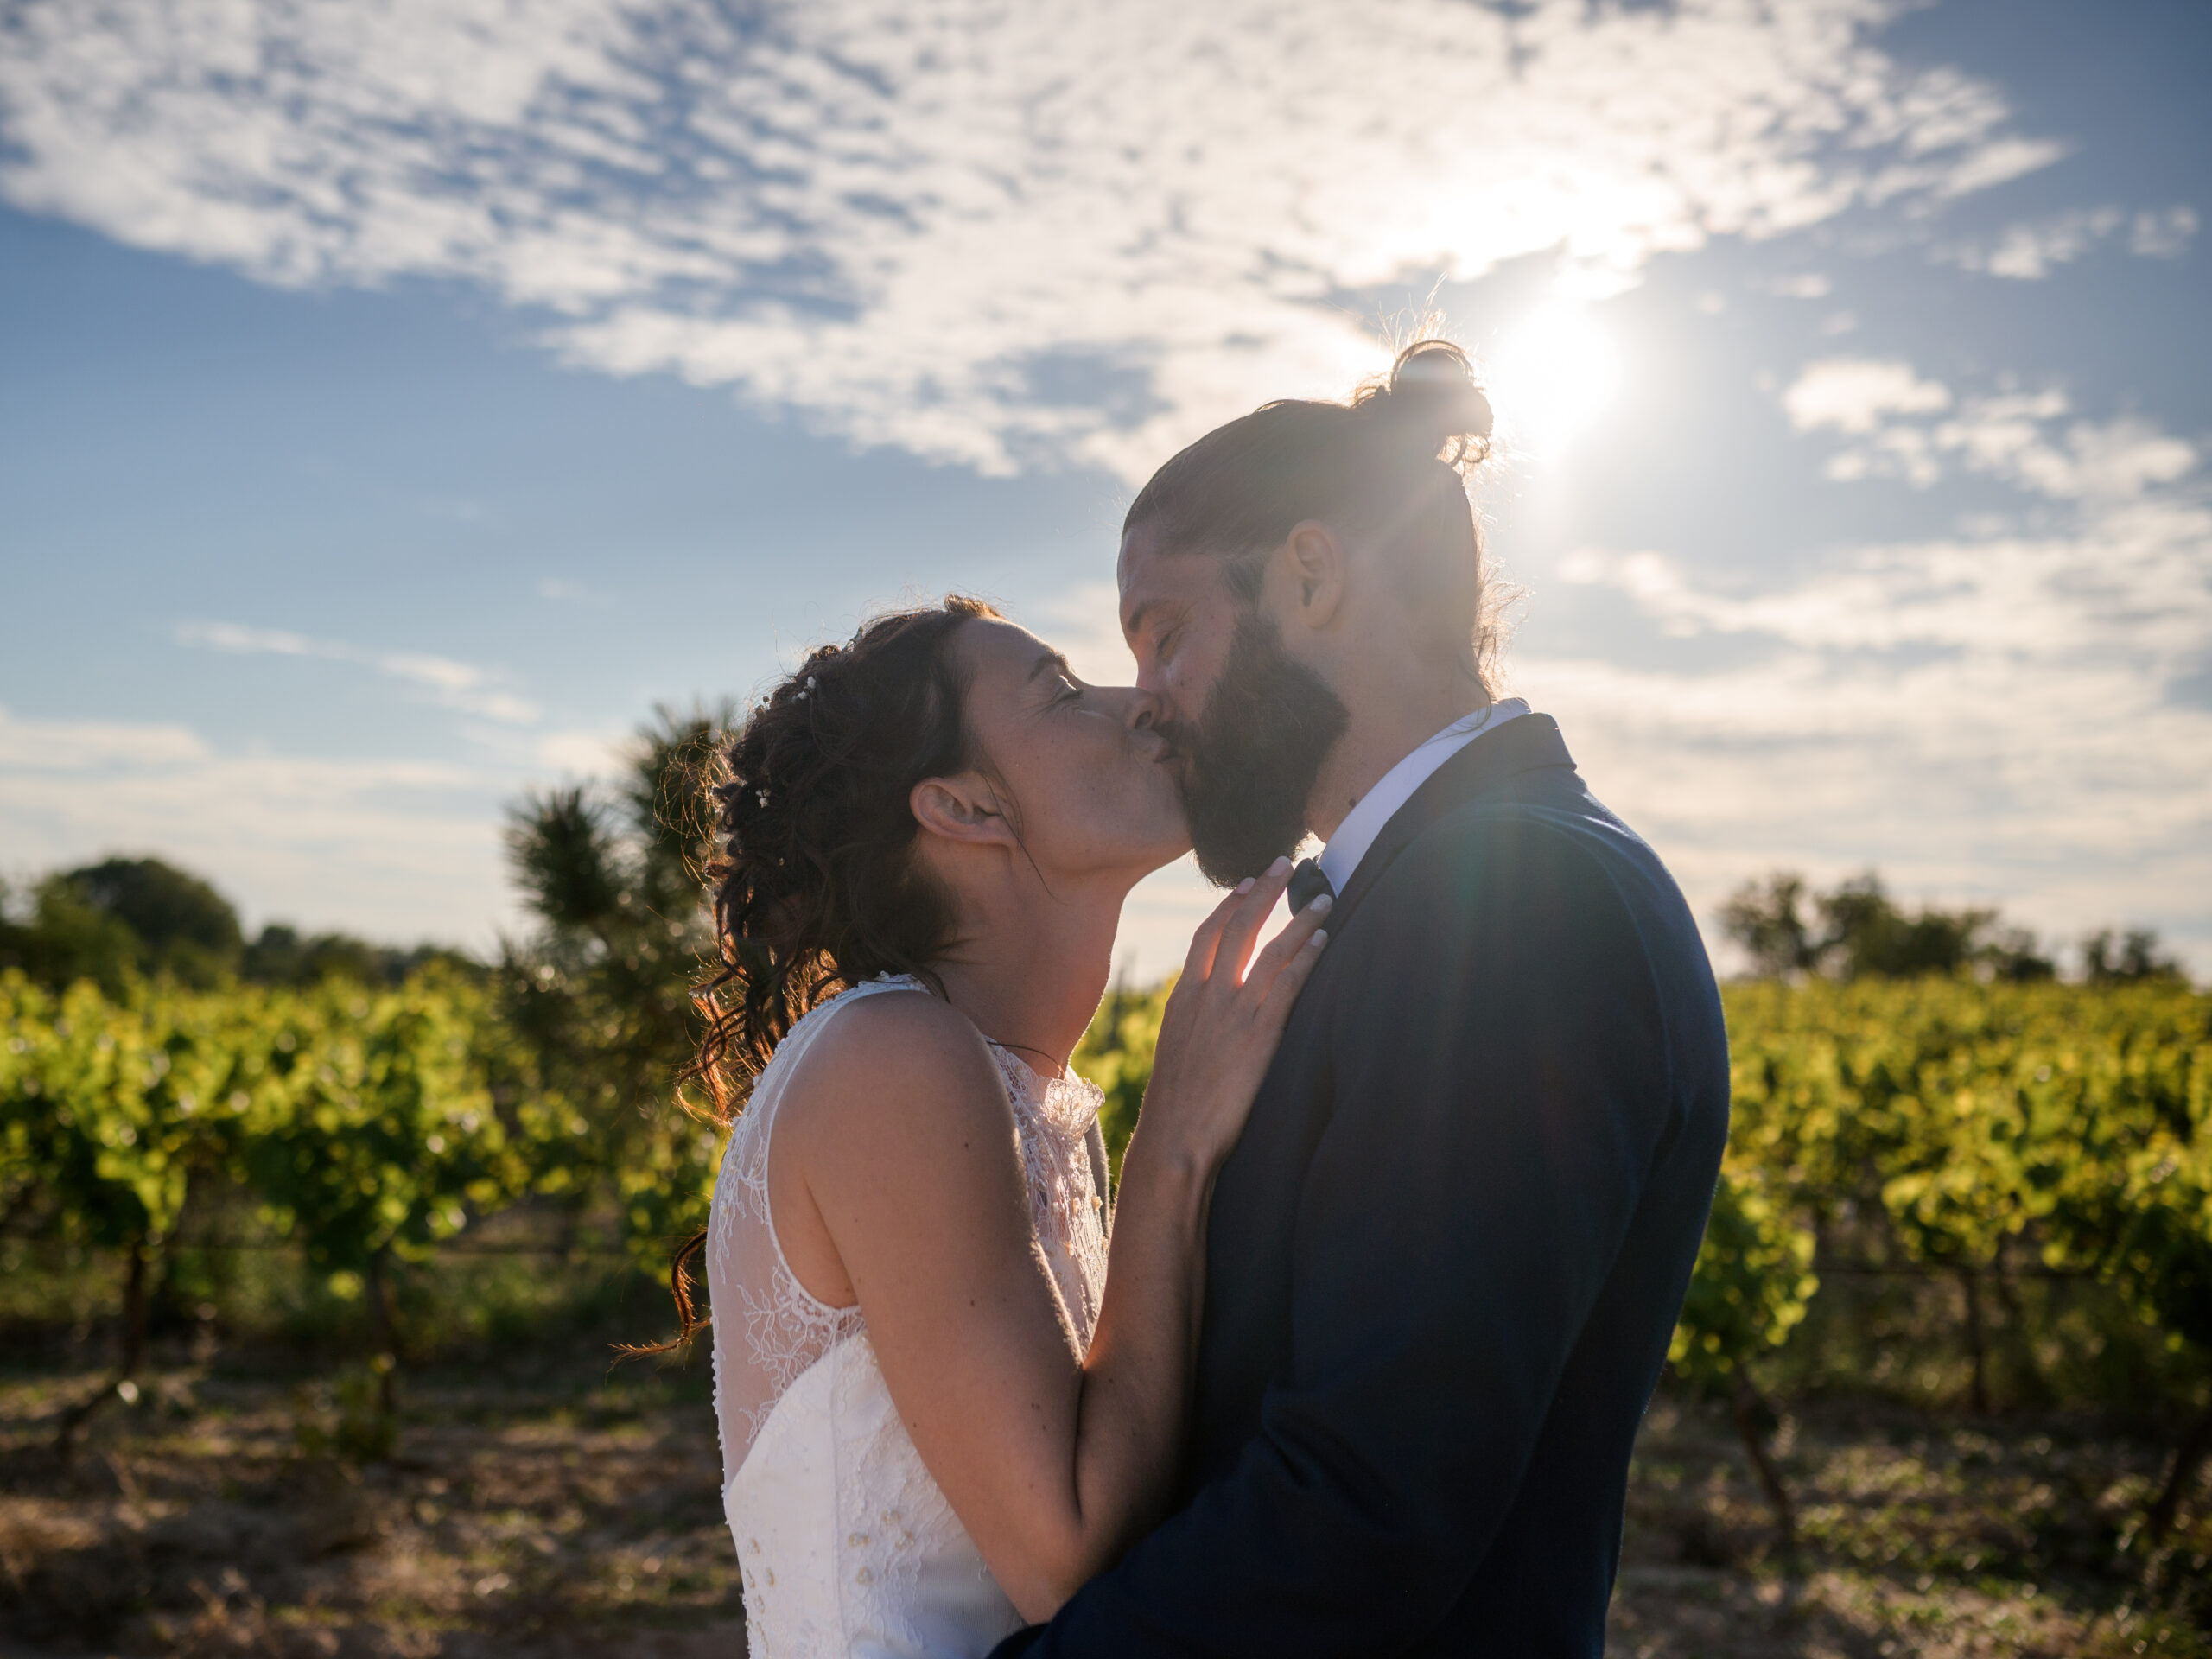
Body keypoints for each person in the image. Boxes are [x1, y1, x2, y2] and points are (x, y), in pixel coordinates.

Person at [989, 340, 1731, 1657]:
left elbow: (1370, 1506)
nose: (1147, 706)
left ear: (1312, 576)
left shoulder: (1514, 907)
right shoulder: (1423, 893)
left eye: (1164, 637)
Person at [674, 595, 1332, 1656]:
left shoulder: (1013, 1090)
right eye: (1064, 694)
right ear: (964, 808)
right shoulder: (890, 1060)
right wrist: (1173, 1136)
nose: (1145, 705)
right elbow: (1059, 1554)